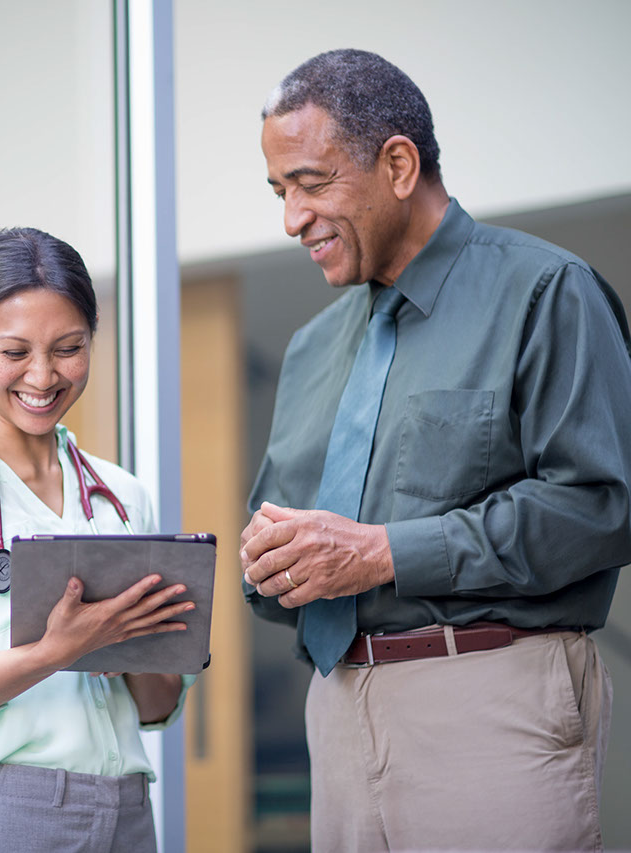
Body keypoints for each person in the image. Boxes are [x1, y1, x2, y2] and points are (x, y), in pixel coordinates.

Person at [240, 49, 631, 851]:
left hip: (491, 697)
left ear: (397, 163)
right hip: (337, 709)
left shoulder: (546, 292)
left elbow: (600, 507)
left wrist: (384, 552)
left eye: (312, 183)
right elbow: (292, 554)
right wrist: (271, 562)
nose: (291, 219)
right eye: (281, 193)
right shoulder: (313, 348)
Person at [0, 227, 196, 852]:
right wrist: (58, 650)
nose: (44, 377)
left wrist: (128, 643)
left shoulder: (122, 497)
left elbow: (156, 707)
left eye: (69, 348)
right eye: (14, 351)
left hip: (126, 810)